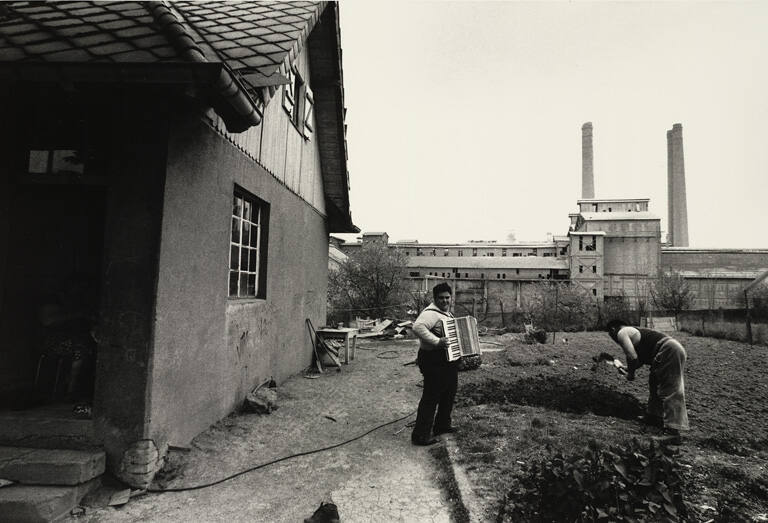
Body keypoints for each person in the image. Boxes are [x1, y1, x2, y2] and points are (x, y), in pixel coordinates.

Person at [606, 319, 689, 441]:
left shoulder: (622, 333)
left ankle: (673, 432)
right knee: (654, 383)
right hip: (665, 351)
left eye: (611, 335)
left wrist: (631, 374)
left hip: (668, 350)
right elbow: (639, 359)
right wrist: (628, 368)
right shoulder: (633, 332)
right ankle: (654, 417)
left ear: (613, 329)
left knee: (670, 389)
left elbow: (632, 357)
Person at [411, 282, 458, 446]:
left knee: (449, 393)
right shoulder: (431, 313)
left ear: (451, 298)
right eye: (441, 298)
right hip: (433, 360)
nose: (445, 301)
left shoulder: (445, 313)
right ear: (435, 298)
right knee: (431, 397)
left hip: (446, 361)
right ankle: (421, 436)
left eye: (447, 298)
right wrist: (437, 341)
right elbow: (417, 327)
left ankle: (442, 426)